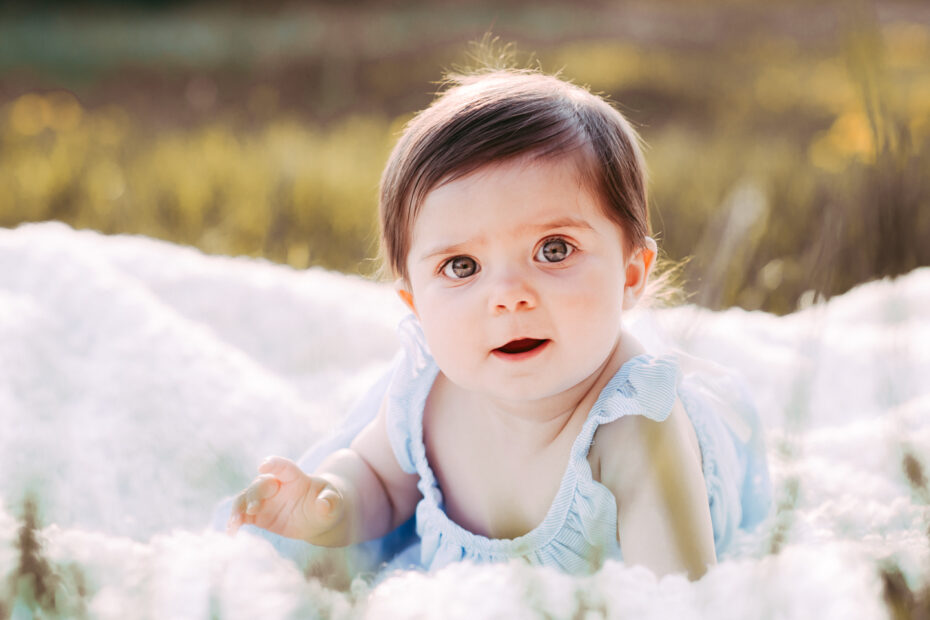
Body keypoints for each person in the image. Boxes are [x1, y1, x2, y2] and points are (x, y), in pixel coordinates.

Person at [226, 68, 771, 580]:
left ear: (631, 275)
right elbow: (379, 481)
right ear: (415, 305)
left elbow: (677, 597)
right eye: (462, 267)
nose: (509, 297)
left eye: (553, 250)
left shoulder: (637, 428)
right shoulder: (427, 394)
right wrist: (329, 504)